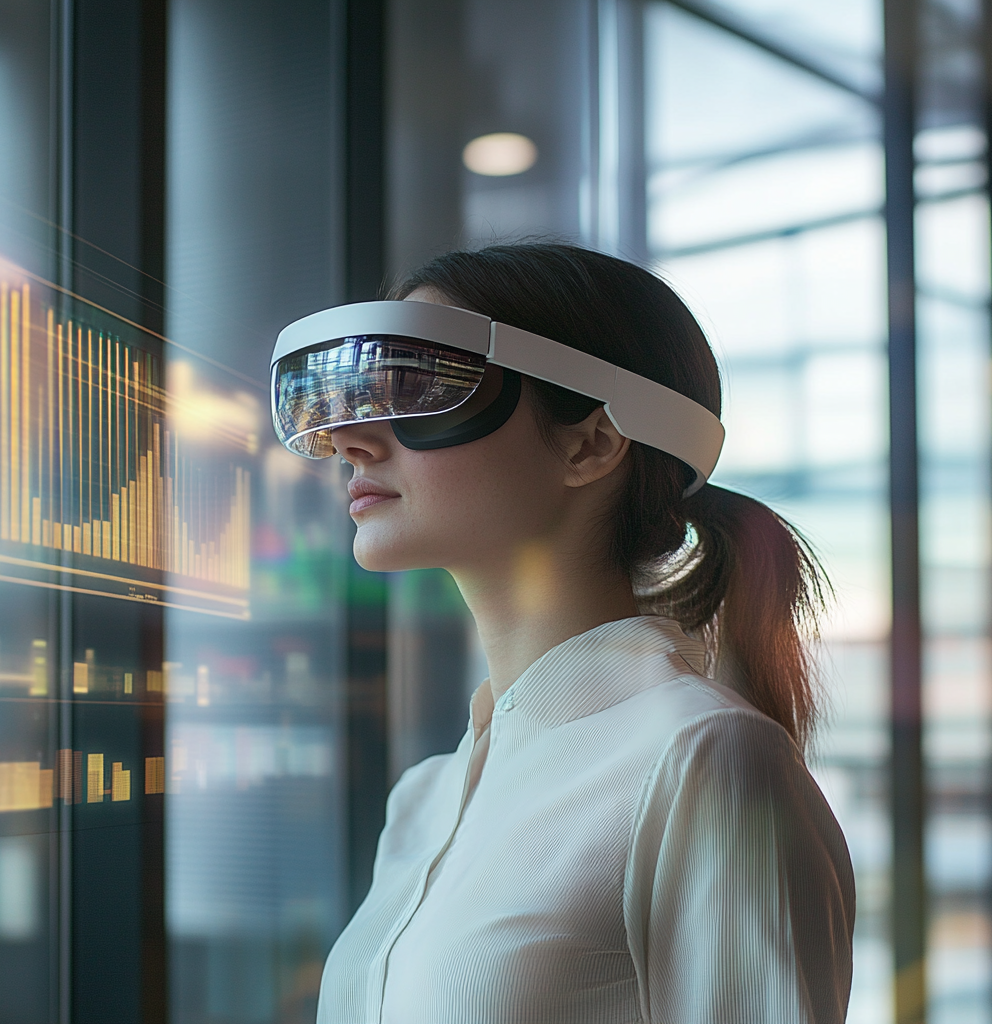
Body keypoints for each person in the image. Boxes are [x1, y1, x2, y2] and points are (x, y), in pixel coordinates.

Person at [285, 243, 854, 1023]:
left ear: (592, 443)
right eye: (359, 399)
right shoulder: (424, 797)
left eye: (420, 389)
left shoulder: (703, 759)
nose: (352, 439)